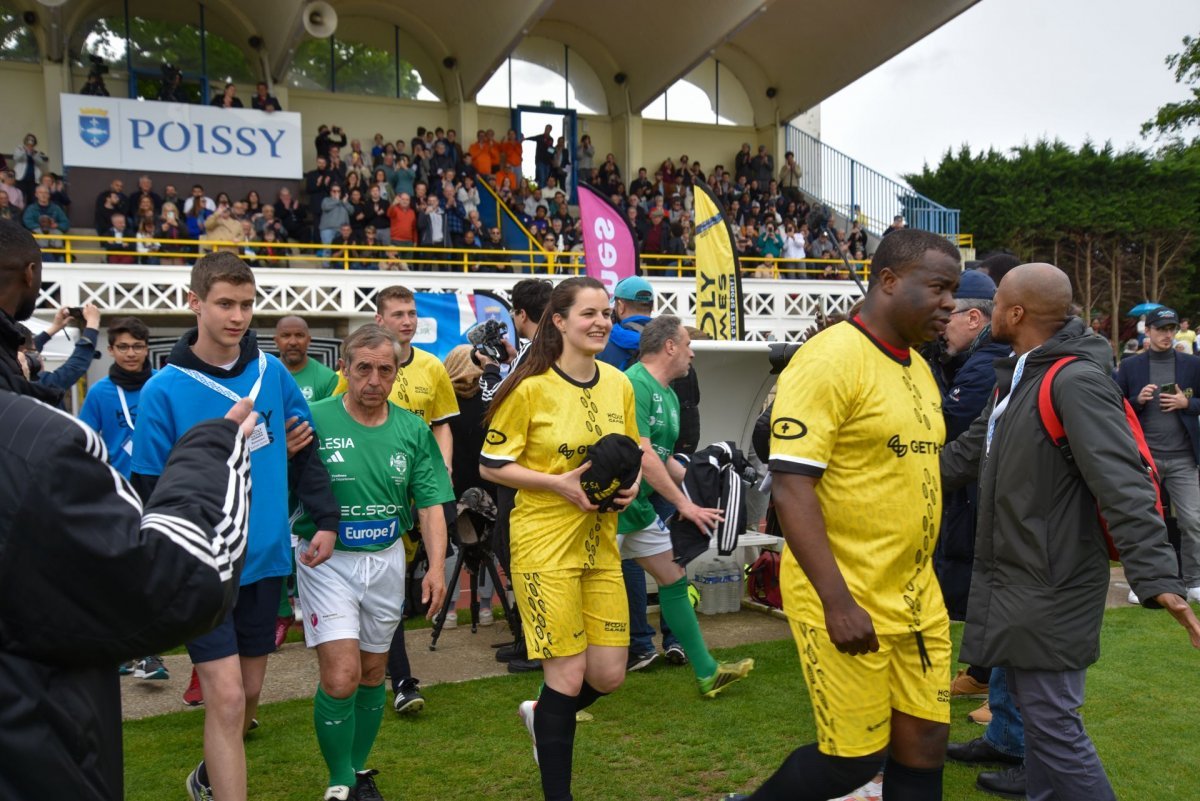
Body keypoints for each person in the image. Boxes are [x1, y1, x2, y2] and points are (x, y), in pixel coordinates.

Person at [940, 263, 1200, 801]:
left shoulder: (1074, 380)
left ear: (1016, 313)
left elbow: (1123, 484)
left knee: (1055, 728)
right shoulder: (1019, 374)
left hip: (1052, 582)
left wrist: (1157, 579)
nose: (986, 315)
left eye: (995, 306)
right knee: (1041, 726)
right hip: (1023, 579)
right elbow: (968, 454)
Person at [730, 230, 963, 801]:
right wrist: (837, 601)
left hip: (916, 596)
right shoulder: (830, 358)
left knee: (925, 744)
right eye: (938, 288)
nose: (951, 304)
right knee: (853, 761)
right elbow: (791, 488)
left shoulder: (917, 367)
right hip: (846, 593)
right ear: (888, 281)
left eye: (953, 291)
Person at [131, 252, 339, 801]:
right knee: (223, 699)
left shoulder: (272, 373)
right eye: (225, 303)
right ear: (194, 302)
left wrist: (326, 519)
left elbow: (306, 448)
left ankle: (206, 776)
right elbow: (148, 488)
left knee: (245, 701)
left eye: (247, 304)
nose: (238, 316)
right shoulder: (161, 391)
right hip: (203, 567)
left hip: (265, 557)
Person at [0, 382, 257, 801]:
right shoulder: (26, 439)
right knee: (227, 695)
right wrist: (213, 449)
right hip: (35, 760)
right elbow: (173, 582)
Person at [479, 276, 641, 801]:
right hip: (543, 545)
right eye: (587, 314)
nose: (599, 323)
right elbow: (491, 465)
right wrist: (559, 485)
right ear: (559, 321)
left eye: (605, 315)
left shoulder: (620, 383)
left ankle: (541, 715)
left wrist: (631, 489)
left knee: (610, 674)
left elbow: (634, 449)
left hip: (601, 546)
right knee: (567, 676)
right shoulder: (530, 388)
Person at [295, 324, 453, 801]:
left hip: (386, 559)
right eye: (363, 368)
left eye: (385, 370)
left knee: (370, 673)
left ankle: (358, 771)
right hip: (327, 561)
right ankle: (339, 779)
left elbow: (430, 505)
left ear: (396, 373)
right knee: (340, 676)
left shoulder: (411, 428)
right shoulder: (312, 418)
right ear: (345, 368)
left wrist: (438, 569)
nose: (373, 379)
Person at [331, 285, 459, 713]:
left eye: (412, 312)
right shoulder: (347, 380)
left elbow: (441, 424)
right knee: (380, 593)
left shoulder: (432, 368)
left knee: (402, 582)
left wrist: (439, 469)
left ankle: (387, 672)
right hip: (366, 499)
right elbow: (338, 429)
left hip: (414, 491)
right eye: (398, 313)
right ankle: (401, 678)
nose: (408, 320)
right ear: (379, 319)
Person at [617, 314, 755, 695]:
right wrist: (685, 505)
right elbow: (643, 455)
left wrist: (702, 482)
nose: (693, 353)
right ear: (670, 346)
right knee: (583, 595)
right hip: (610, 509)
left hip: (638, 508)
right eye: (688, 345)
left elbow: (666, 461)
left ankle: (708, 673)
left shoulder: (671, 395)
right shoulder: (633, 384)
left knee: (674, 579)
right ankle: (559, 697)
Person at [77, 315, 174, 681]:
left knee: (152, 571)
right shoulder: (102, 392)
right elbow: (87, 439)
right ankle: (124, 646)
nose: (131, 353)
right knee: (120, 572)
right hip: (119, 493)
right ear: (112, 350)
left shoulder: (161, 386)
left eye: (137, 346)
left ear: (147, 349)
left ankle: (149, 654)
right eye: (123, 347)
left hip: (159, 489)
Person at [1115, 306, 1200, 606]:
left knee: (1192, 521)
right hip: (1143, 459)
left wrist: (1185, 402)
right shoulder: (1130, 367)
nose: (1167, 334)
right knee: (1145, 523)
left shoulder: (1192, 364)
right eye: (1161, 329)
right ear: (1147, 331)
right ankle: (1145, 582)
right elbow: (1114, 405)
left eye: (1171, 329)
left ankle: (1194, 581)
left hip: (1183, 457)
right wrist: (1137, 401)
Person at [12, 133, 48, 205]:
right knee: (19, 199)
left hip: (32, 180)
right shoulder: (20, 149)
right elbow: (16, 158)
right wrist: (25, 151)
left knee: (32, 200)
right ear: (25, 141)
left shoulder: (36, 152)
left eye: (32, 140)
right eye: (29, 140)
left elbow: (40, 163)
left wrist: (33, 154)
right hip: (20, 179)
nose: (30, 141)